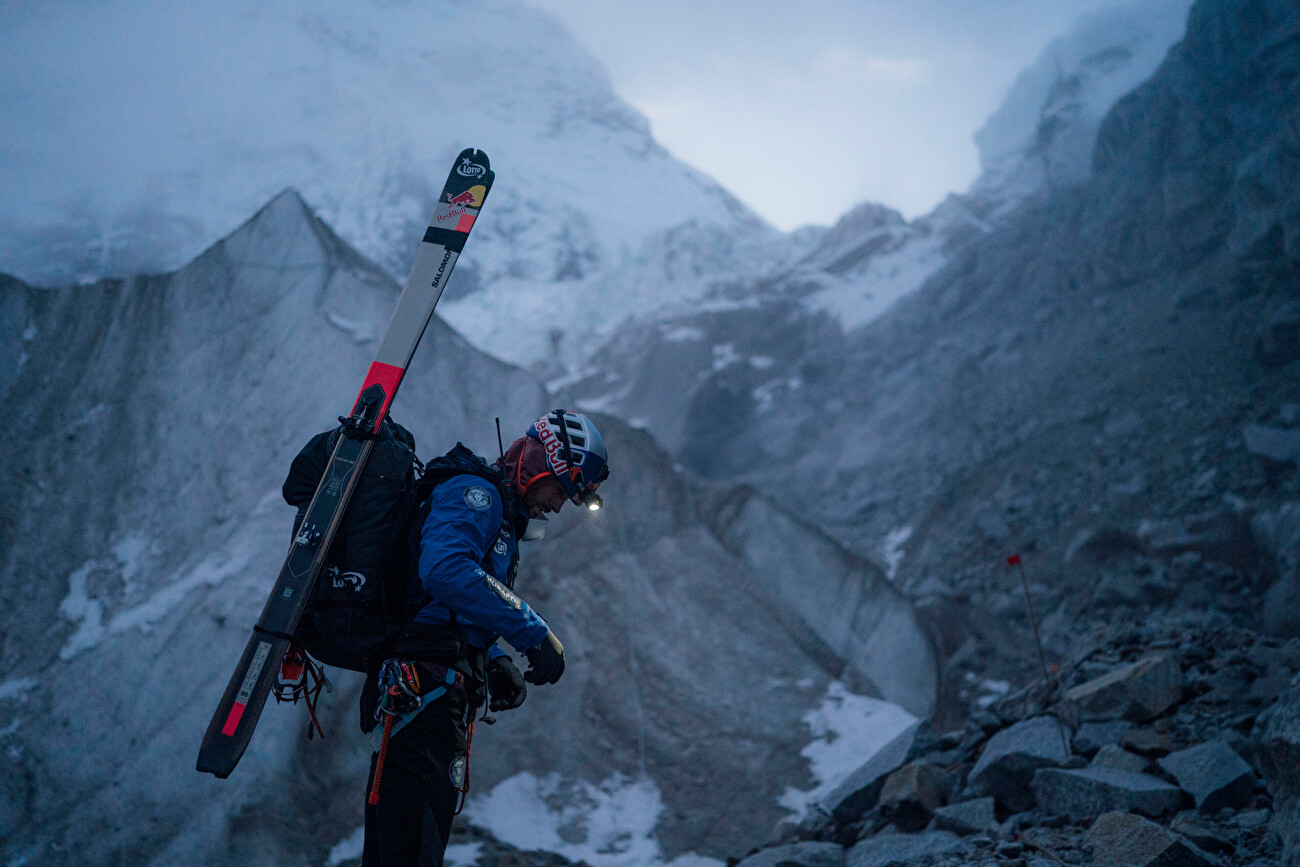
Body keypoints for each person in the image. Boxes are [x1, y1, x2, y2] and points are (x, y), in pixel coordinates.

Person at [361, 409, 609, 867]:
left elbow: (444, 609)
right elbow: (444, 570)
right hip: (422, 701)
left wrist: (492, 657)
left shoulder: (496, 511)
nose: (557, 507)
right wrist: (532, 631)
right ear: (541, 463)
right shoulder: (476, 495)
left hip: (426, 700)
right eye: (560, 491)